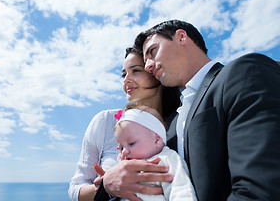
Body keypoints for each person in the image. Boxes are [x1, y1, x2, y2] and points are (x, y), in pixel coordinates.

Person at [94, 20, 280, 201]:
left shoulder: (243, 73)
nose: (149, 65)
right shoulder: (171, 122)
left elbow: (261, 187)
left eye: (152, 51)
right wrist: (109, 185)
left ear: (182, 37)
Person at [68, 47, 180, 201]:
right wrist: (106, 186)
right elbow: (75, 190)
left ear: (156, 71)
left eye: (136, 71)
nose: (126, 79)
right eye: (124, 74)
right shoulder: (105, 121)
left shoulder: (182, 123)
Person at [113, 103, 197, 201]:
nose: (124, 152)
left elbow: (180, 189)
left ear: (156, 140)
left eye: (131, 143)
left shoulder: (165, 160)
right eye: (121, 147)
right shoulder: (124, 170)